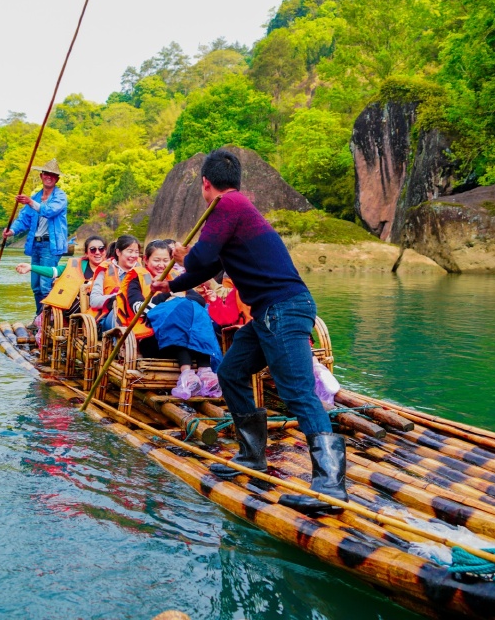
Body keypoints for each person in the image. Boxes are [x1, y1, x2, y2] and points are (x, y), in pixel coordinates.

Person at [151, 148, 345, 515]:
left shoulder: (227, 207)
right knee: (232, 371)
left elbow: (199, 258)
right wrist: (172, 286)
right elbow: (207, 267)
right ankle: (252, 455)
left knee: (298, 392)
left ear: (205, 184)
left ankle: (331, 486)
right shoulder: (236, 209)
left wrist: (181, 257)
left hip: (284, 309)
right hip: (269, 312)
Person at [118, 240, 221, 400]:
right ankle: (187, 374)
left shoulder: (175, 279)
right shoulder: (136, 279)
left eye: (165, 260)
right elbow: (139, 309)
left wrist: (172, 292)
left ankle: (205, 372)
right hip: (152, 341)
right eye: (156, 260)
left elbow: (198, 299)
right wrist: (166, 293)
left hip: (184, 340)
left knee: (192, 310)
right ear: (146, 259)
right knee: (178, 313)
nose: (161, 265)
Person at [3, 159, 68, 314]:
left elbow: (50, 211)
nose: (49, 177)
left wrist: (30, 202)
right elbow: (24, 219)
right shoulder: (36, 197)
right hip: (36, 245)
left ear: (57, 179)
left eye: (53, 175)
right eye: (46, 174)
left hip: (50, 245)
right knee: (36, 286)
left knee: (46, 285)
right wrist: (11, 231)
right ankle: (39, 316)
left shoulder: (60, 197)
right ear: (41, 176)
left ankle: (47, 320)